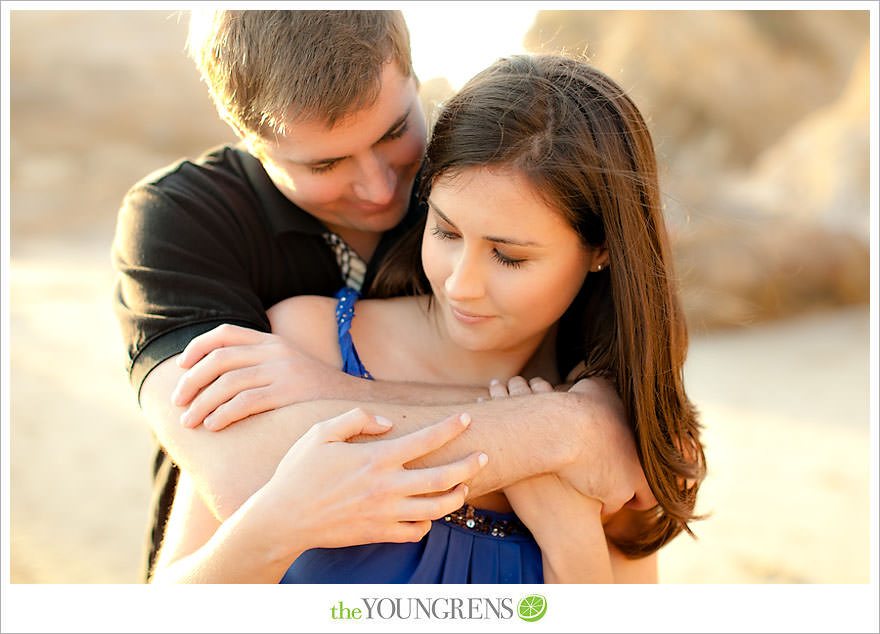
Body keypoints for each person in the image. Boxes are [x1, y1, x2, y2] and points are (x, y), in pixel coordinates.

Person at [112, 10, 651, 582]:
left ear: (416, 78)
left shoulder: (480, 177)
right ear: (252, 141)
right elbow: (245, 474)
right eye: (326, 163)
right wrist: (562, 428)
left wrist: (333, 394)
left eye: (394, 132)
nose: (379, 188)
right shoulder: (184, 221)